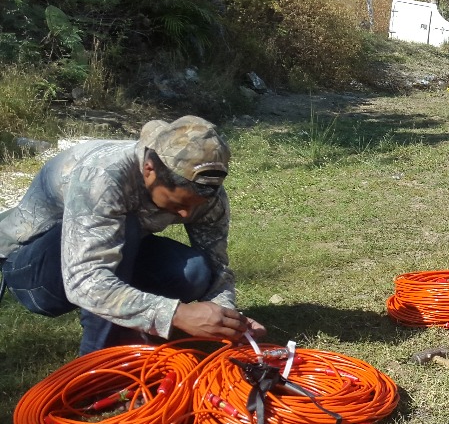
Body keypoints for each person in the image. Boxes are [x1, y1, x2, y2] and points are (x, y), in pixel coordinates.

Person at [0, 116, 264, 356]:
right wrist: (175, 314)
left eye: (194, 206)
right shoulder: (103, 177)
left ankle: (134, 332)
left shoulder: (205, 193)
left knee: (195, 270)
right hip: (32, 272)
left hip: (110, 249)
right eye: (177, 204)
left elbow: (218, 269)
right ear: (149, 170)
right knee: (126, 229)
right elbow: (87, 280)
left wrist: (229, 320)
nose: (186, 214)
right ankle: (98, 365)